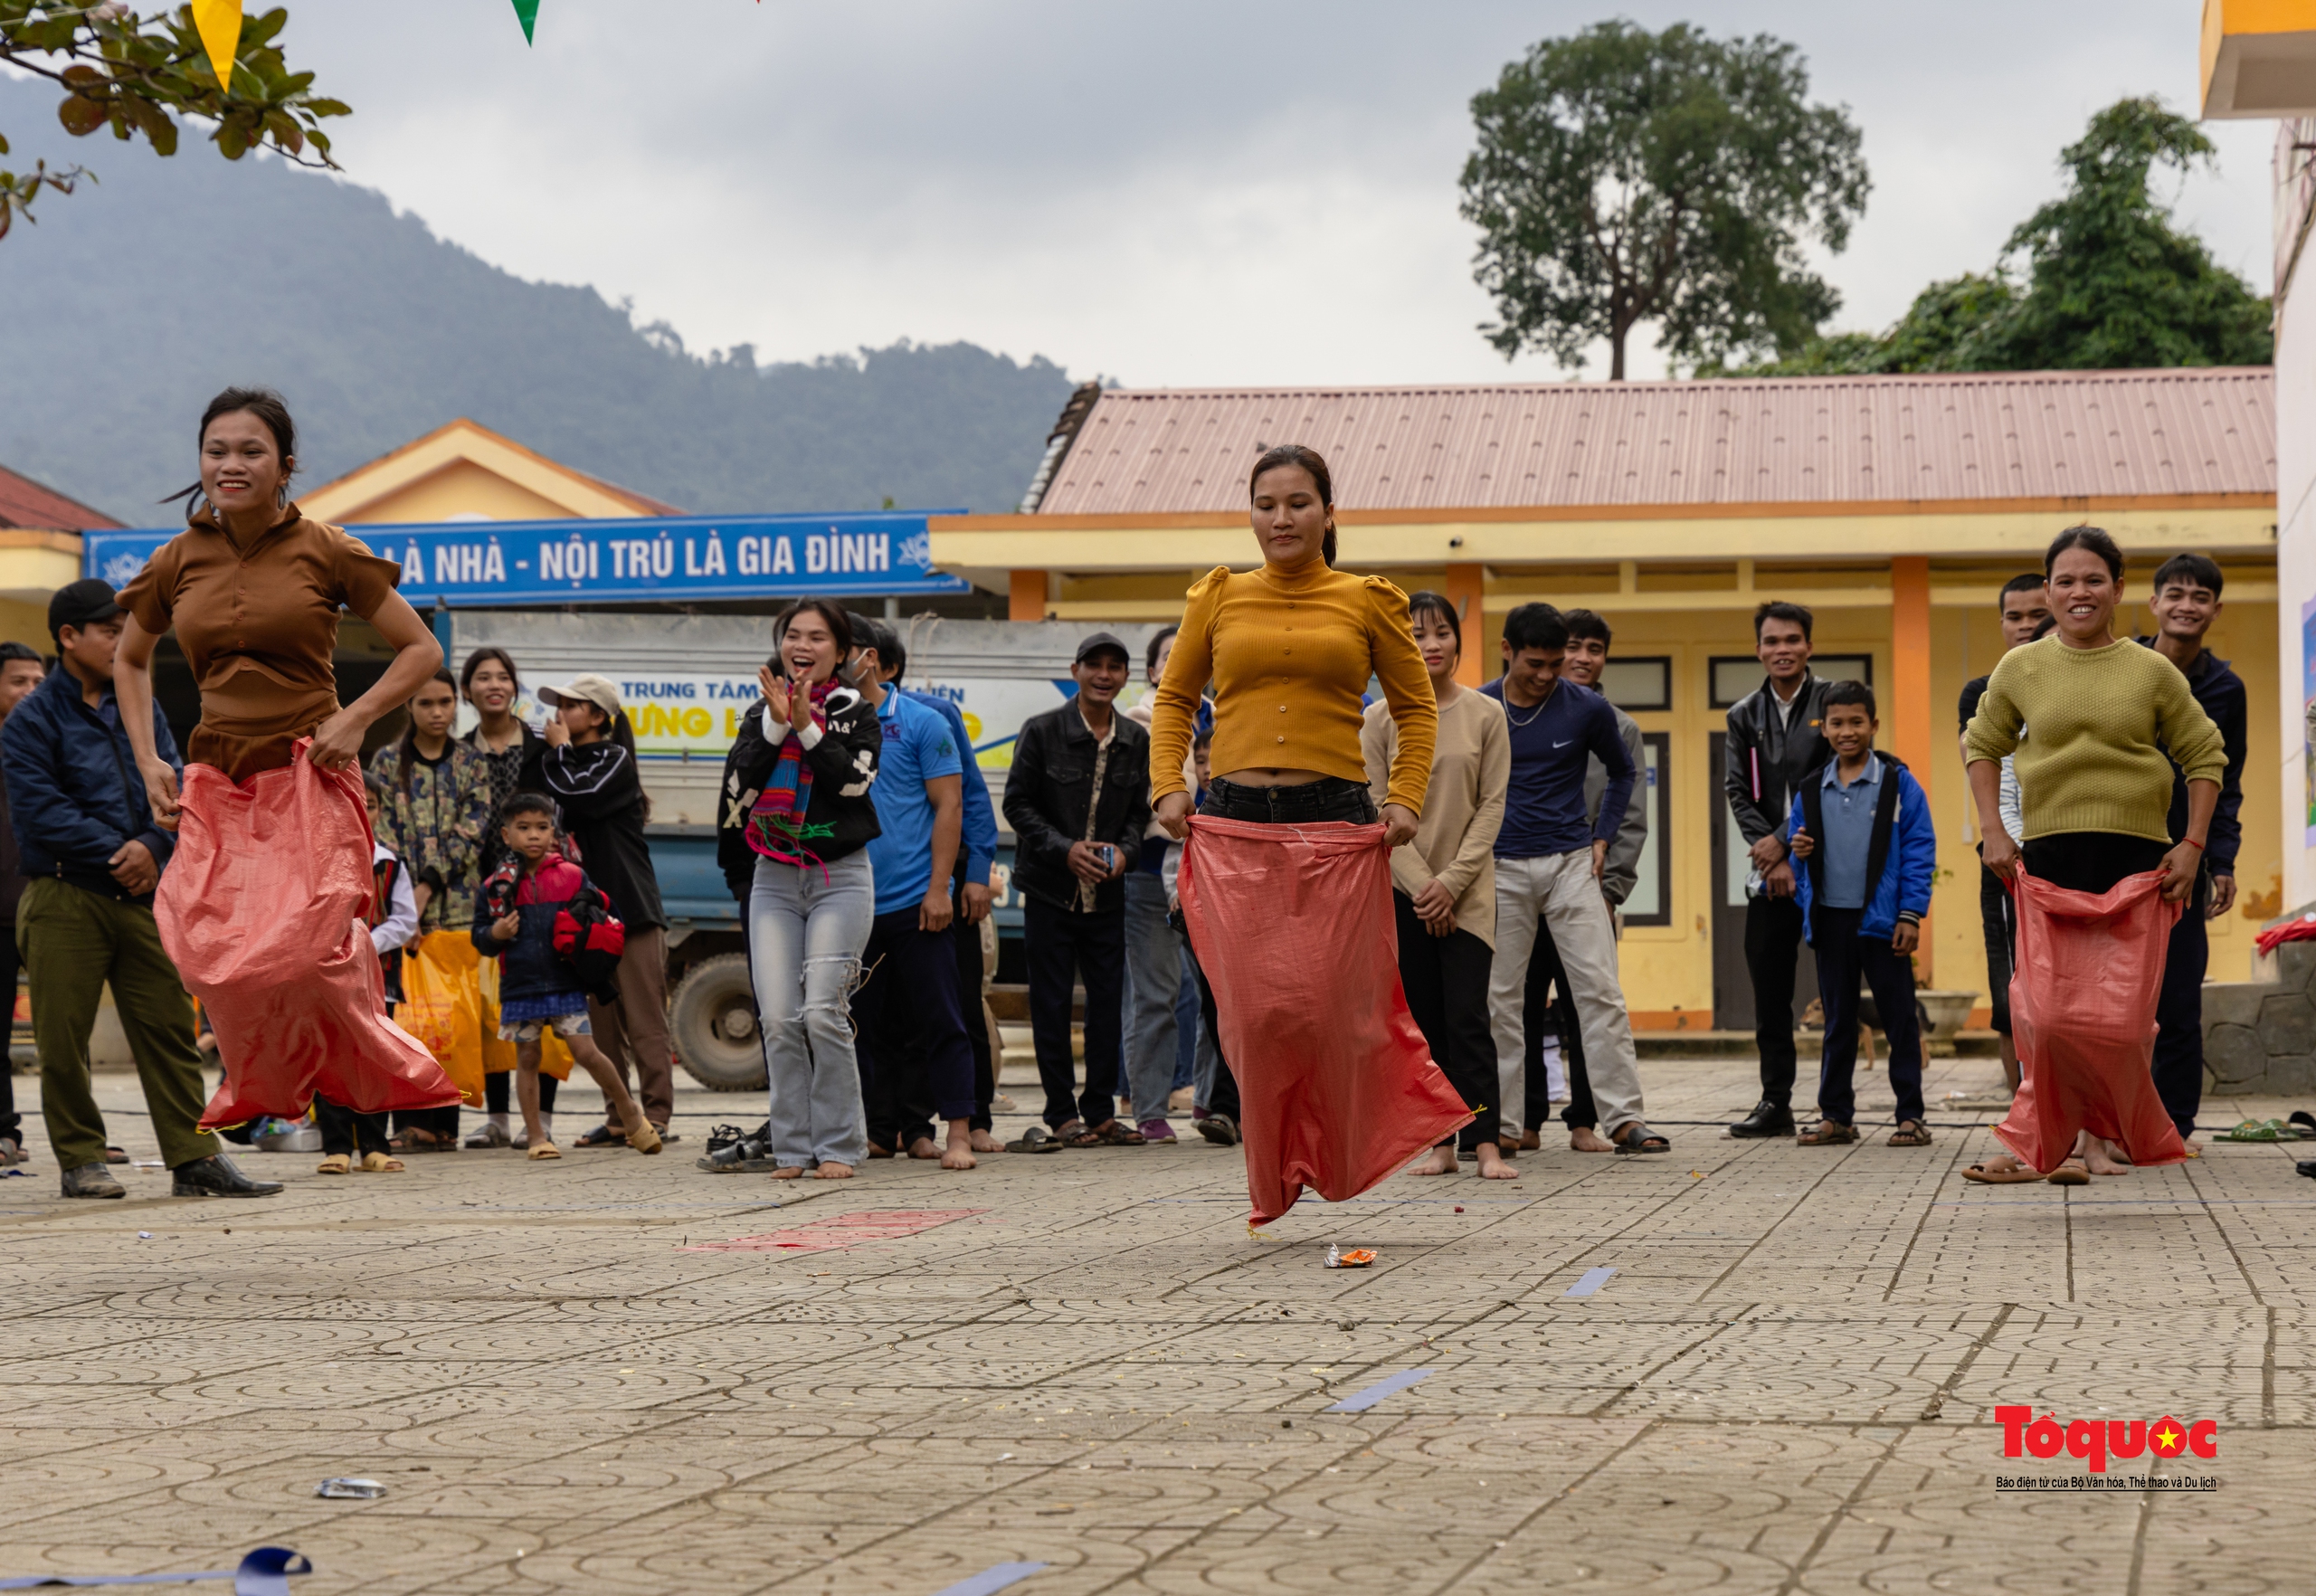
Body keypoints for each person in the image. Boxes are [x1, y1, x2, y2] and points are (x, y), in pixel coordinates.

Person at [110, 387, 451, 1135]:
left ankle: (367, 1065)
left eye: (250, 451)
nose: (231, 465)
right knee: (204, 957)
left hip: (310, 771)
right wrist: (148, 759)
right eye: (217, 451)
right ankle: (263, 1084)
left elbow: (421, 649)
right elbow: (129, 661)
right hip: (215, 781)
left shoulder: (325, 548)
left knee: (305, 948)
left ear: (285, 466)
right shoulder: (177, 559)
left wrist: (356, 718)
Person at [1152, 442, 1465, 1218]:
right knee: (1257, 1018)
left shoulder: (1367, 599)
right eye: (1266, 505)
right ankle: (1276, 1163)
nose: (1281, 519)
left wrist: (1407, 798)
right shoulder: (1218, 597)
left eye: (1298, 503)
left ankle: (1338, 1154)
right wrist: (1168, 784)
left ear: (1329, 512)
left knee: (1333, 1015)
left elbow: (1416, 706)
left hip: (1338, 825)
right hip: (1233, 827)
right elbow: (1173, 699)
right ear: (1250, 513)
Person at [1963, 526, 2226, 1183]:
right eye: (2065, 581)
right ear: (2048, 590)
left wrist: (2193, 845)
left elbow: (2205, 754)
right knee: (2046, 1017)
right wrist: (1993, 828)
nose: (2079, 592)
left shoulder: (2151, 670)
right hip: (2050, 859)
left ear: (2118, 588)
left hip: (2138, 866)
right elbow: (1981, 743)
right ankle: (2041, 1144)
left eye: (2093, 580)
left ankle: (2095, 1145)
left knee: (2123, 1025)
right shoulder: (2020, 667)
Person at [1, 580, 279, 1199]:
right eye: (108, 630)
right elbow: (40, 810)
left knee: (170, 1031)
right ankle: (80, 1159)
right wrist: (117, 850)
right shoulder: (31, 718)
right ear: (68, 638)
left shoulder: (142, 706)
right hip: (64, 893)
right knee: (63, 1037)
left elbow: (178, 788)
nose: (125, 641)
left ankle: (194, 1158)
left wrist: (153, 848)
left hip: (143, 890)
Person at [1480, 603, 1661, 1155]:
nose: (1547, 674)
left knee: (1600, 992)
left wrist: (1603, 836)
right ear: (1507, 649)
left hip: (1571, 865)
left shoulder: (1586, 708)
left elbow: (1627, 769)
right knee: (1501, 1000)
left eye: (1556, 663)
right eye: (1535, 662)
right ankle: (1506, 1126)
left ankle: (1625, 1118)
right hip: (1500, 869)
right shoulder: (1478, 708)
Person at [723, 601, 881, 1178]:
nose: (803, 644)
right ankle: (793, 1148)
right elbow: (740, 782)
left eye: (817, 636)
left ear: (839, 652)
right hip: (774, 878)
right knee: (780, 1019)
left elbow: (853, 784)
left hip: (840, 877)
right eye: (794, 635)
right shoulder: (758, 714)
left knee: (821, 1013)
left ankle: (839, 1145)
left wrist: (806, 724)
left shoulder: (855, 712)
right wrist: (775, 722)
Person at [1362, 591, 1513, 1179]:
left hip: (1470, 894)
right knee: (1423, 1024)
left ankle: (1487, 1143)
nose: (1430, 645)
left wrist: (1450, 884)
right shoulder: (1379, 719)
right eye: (1416, 635)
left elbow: (1492, 806)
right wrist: (1424, 887)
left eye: (1441, 633)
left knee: (1470, 1019)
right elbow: (1377, 811)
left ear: (1458, 639)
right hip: (1405, 893)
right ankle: (1441, 1143)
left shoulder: (1485, 714)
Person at [1003, 632, 1153, 1151]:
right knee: (1050, 1004)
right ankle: (1062, 1114)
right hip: (1049, 892)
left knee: (1108, 1005)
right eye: (1095, 665)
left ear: (1124, 677)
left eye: (1115, 667)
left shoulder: (1136, 739)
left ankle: (1102, 1113)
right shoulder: (1042, 731)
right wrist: (1064, 849)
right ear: (1076, 671)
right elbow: (1017, 806)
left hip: (1107, 898)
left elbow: (1139, 813)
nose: (1104, 675)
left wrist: (1126, 854)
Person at [848, 618, 979, 1170]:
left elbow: (950, 806)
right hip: (847, 906)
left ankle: (959, 1135)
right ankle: (874, 1132)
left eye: (840, 650)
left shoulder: (923, 721)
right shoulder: (823, 726)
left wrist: (939, 889)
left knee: (941, 1020)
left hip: (914, 901)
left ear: (870, 659)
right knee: (859, 1028)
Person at [1783, 681, 1936, 1147]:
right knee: (1838, 1020)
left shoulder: (1897, 783)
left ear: (1873, 724)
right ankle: (1837, 1116)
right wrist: (1799, 853)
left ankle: (1910, 1115)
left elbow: (1919, 848)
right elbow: (1797, 860)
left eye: (1856, 722)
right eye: (1836, 723)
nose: (1846, 731)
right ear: (1824, 728)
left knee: (1899, 1019)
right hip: (1832, 921)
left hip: (1885, 922)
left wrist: (1910, 914)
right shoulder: (1811, 790)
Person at [532, 673, 678, 1147]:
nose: (560, 715)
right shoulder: (560, 762)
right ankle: (620, 1117)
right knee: (601, 1025)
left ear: (597, 717)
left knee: (644, 1020)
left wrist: (556, 753)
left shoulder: (614, 760)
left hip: (630, 908)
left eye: (571, 706)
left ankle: (655, 1115)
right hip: (582, 915)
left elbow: (581, 798)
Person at [473, 793, 661, 1159]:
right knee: (527, 1057)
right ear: (506, 834)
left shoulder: (573, 877)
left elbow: (604, 914)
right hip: (520, 987)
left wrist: (592, 944)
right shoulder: (495, 888)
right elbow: (480, 937)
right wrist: (495, 935)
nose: (533, 836)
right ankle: (536, 1137)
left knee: (586, 1051)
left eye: (542, 828)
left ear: (553, 833)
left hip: (565, 983)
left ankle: (632, 1116)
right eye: (523, 828)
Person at [878, 622, 1005, 1155]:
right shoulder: (839, 722)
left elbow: (969, 799)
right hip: (883, 894)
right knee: (895, 1017)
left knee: (960, 1006)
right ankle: (912, 1128)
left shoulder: (932, 716)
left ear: (884, 666)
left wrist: (975, 875)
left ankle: (974, 1120)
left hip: (945, 887)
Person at [2136, 553, 2245, 1152]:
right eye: (2174, 593)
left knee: (2178, 996)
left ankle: (2173, 1127)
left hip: (2187, 860)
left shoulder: (2226, 689)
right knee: (2119, 999)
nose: (2186, 605)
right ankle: (2110, 1119)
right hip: (2117, 853)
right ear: (2152, 603)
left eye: (2199, 597)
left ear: (2215, 610)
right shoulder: (2121, 665)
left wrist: (2220, 860)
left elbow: (2228, 781)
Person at [1723, 602, 1837, 1140]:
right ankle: (1776, 1102)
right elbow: (1738, 791)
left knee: (1838, 988)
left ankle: (1838, 1106)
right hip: (1766, 874)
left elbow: (1833, 778)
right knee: (1771, 993)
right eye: (1772, 641)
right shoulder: (1744, 715)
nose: (1782, 650)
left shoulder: (1833, 703)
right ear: (1759, 649)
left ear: (1810, 646)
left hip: (1830, 865)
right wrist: (1769, 852)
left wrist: (1786, 847)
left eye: (1792, 640)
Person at [367, 668, 493, 1152]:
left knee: (451, 1024)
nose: (437, 713)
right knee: (403, 1022)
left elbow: (472, 831)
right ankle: (409, 1123)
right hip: (396, 914)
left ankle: (445, 1125)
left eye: (445, 703)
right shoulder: (386, 761)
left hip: (455, 912)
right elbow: (384, 833)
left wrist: (423, 892)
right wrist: (406, 903)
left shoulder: (471, 763)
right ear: (409, 708)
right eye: (426, 704)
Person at [458, 647, 557, 1148]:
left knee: (547, 996)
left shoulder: (541, 747)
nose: (493, 684)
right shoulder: (459, 751)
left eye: (502, 676)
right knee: (492, 1006)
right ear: (467, 690)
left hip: (540, 886)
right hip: (485, 891)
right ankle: (496, 1117)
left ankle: (543, 1121)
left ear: (514, 687)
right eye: (482, 677)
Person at [1956, 575, 2051, 1095]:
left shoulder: (2076, 685)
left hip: (2067, 853)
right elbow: (1976, 758)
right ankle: (2023, 1109)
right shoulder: (1982, 693)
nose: (2025, 626)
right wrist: (2001, 836)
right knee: (2009, 987)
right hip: (2004, 858)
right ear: (2001, 624)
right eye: (2014, 617)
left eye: (2036, 614)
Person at [314, 774, 422, 1174]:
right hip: (330, 983)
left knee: (375, 1061)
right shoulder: (317, 860)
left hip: (379, 982)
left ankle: (374, 1144)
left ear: (377, 811)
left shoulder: (390, 864)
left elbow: (405, 920)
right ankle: (336, 1146)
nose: (361, 810)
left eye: (370, 804)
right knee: (333, 1059)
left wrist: (363, 945)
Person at [0, 641, 44, 1166]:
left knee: (65, 1030)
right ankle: (6, 1133)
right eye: (18, 682)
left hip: (51, 901)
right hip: (0, 912)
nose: (31, 691)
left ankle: (85, 1140)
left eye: (38, 682)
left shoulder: (56, 741)